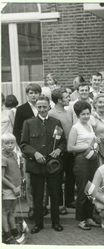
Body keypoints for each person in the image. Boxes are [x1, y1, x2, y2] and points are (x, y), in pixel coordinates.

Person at [20, 95, 66, 234]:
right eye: (39, 107)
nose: (42, 109)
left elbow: (63, 142)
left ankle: (56, 222)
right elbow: (23, 144)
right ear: (36, 108)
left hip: (53, 166)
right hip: (36, 165)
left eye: (44, 107)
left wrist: (58, 150)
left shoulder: (56, 122)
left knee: (54, 194)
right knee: (38, 196)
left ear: (49, 107)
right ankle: (38, 224)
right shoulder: (28, 123)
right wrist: (35, 153)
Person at [67, 100, 100, 230]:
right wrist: (87, 145)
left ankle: (89, 217)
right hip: (81, 160)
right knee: (82, 189)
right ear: (77, 115)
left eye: (88, 113)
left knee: (91, 189)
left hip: (92, 159)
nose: (86, 116)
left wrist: (95, 142)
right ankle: (81, 219)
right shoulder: (75, 128)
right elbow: (70, 147)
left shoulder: (89, 125)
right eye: (83, 114)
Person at [12, 83, 42, 219]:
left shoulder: (44, 107)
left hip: (43, 149)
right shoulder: (22, 109)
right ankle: (31, 207)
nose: (34, 95)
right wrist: (22, 147)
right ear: (27, 94)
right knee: (29, 180)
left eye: (36, 92)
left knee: (43, 179)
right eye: (31, 93)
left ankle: (42, 205)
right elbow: (16, 131)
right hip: (28, 149)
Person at [48, 88, 74, 213]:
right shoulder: (52, 113)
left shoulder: (68, 112)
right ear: (59, 100)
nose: (69, 98)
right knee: (58, 178)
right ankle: (58, 205)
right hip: (59, 150)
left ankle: (69, 200)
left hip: (70, 149)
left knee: (71, 175)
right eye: (66, 97)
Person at [2, 133, 23, 244]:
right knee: (5, 211)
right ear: (2, 144)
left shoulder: (14, 154)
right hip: (8, 189)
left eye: (12, 143)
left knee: (12, 211)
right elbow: (1, 177)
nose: (10, 145)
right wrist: (13, 187)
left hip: (16, 188)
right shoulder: (2, 158)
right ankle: (6, 234)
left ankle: (13, 230)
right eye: (7, 143)